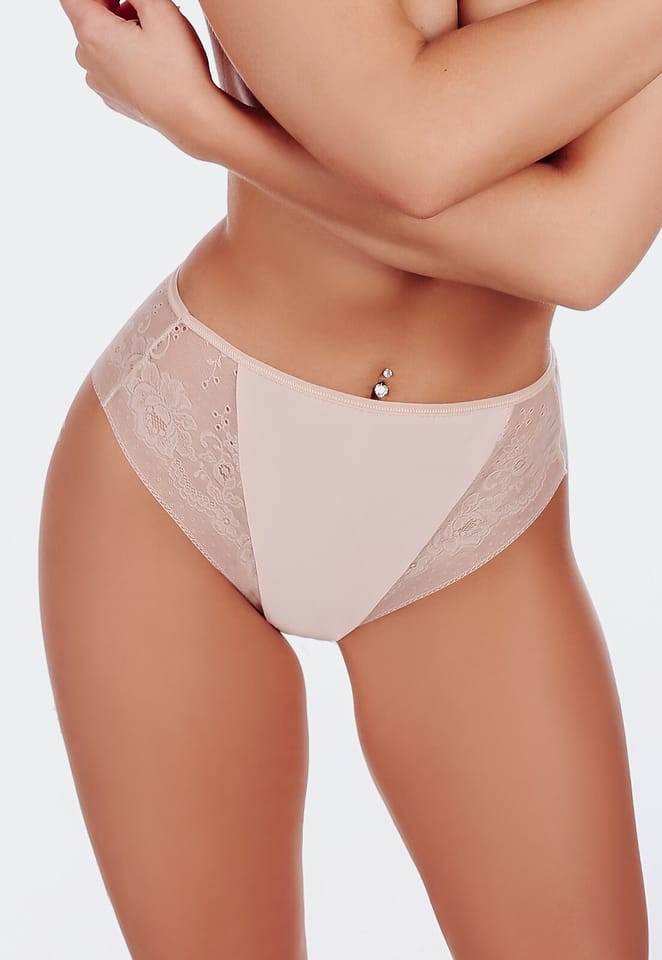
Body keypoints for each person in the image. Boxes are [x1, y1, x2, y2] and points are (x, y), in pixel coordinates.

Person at [39, 0, 661, 956]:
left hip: (475, 515)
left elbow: (581, 250)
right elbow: (414, 148)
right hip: (185, 465)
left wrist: (210, 127)